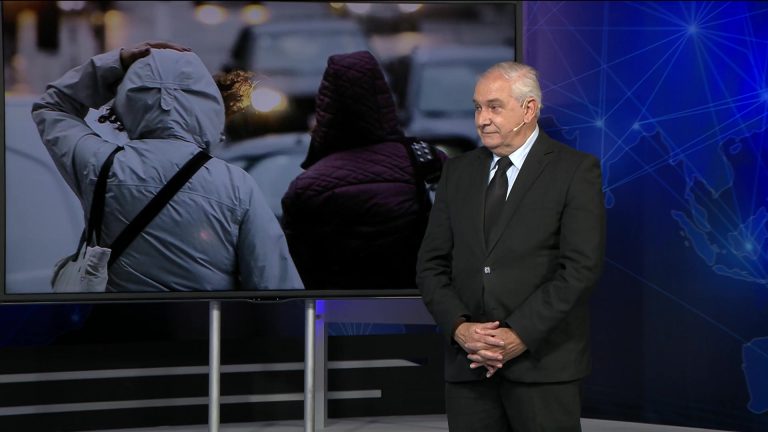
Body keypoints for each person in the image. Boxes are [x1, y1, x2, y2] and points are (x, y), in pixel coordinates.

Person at [416, 61, 606, 431]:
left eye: (494, 107)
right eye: (477, 107)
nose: (482, 119)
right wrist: (460, 329)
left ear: (529, 109)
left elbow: (580, 269)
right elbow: (431, 265)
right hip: (469, 366)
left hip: (543, 366)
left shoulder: (575, 171)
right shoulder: (457, 172)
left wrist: (518, 335)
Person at [31, 41, 303, 292]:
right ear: (208, 106)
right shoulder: (236, 185)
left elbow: (53, 105)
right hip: (205, 326)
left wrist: (118, 63)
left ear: (128, 102)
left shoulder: (100, 165)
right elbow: (276, 286)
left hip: (114, 326)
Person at [281, 50, 443, 290]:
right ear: (384, 99)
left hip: (339, 307)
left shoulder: (307, 188)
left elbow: (295, 268)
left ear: (327, 108)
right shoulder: (427, 160)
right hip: (420, 302)